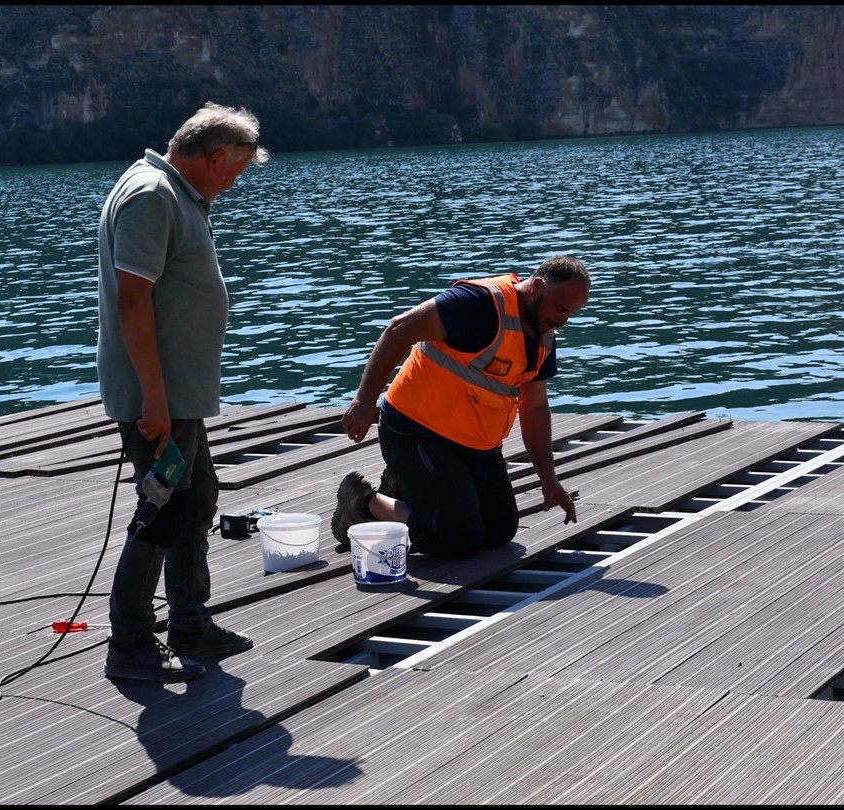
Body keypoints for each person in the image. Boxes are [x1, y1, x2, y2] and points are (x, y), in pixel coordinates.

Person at [96, 102, 269, 682]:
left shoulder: (176, 193)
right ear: (216, 158)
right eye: (238, 171)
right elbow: (132, 299)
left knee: (195, 502)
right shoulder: (153, 195)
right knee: (162, 511)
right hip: (160, 399)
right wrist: (153, 399)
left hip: (179, 396)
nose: (237, 182)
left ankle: (190, 623)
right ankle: (130, 645)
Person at [333, 255, 590, 560]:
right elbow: (399, 329)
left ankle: (404, 487)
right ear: (536, 287)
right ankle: (364, 500)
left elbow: (534, 407)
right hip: (415, 430)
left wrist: (549, 478)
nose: (563, 321)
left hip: (476, 446)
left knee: (499, 531)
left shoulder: (544, 336)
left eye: (571, 313)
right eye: (560, 309)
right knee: (458, 539)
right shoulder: (478, 303)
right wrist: (364, 401)